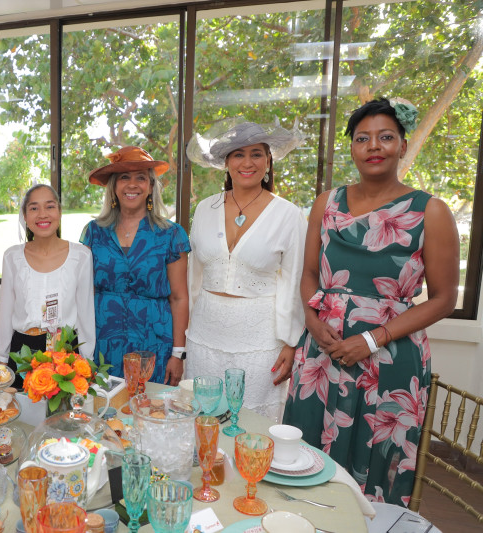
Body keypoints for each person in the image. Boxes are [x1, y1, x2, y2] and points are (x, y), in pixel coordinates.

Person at [283, 98, 459, 506]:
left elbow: (445, 299)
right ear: (352, 148)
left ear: (402, 145)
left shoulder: (430, 211)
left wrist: (371, 339)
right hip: (322, 353)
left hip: (389, 358)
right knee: (304, 458)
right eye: (362, 138)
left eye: (385, 137)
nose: (374, 146)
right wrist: (311, 321)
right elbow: (308, 274)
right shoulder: (326, 203)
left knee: (376, 463)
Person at [185, 118, 307, 420]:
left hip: (260, 342)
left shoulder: (288, 215)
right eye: (238, 154)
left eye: (256, 154)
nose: (247, 162)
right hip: (204, 336)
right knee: (203, 418)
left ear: (269, 160)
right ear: (226, 162)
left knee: (252, 425)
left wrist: (291, 343)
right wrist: (187, 331)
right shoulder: (205, 208)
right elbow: (194, 277)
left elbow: (295, 282)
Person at [80, 146, 189, 385]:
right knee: (103, 404)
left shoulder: (171, 235)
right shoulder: (94, 233)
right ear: (113, 187)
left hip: (153, 344)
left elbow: (179, 298)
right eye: (124, 178)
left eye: (140, 178)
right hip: (102, 343)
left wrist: (178, 354)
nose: (132, 185)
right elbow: (83, 293)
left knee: (150, 405)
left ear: (150, 187)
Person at [0, 184, 96, 388]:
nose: (42, 214)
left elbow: (85, 314)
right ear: (25, 215)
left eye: (50, 206)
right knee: (20, 407)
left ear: (59, 211)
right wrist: (1, 359)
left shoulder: (81, 256)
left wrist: (87, 361)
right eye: (34, 208)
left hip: (65, 354)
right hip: (23, 352)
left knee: (62, 409)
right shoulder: (12, 257)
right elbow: (5, 312)